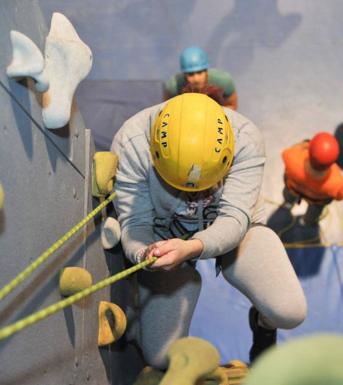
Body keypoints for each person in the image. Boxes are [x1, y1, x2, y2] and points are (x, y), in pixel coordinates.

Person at [111, 93, 307, 367]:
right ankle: (143, 306)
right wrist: (145, 254)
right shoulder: (131, 145)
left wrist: (193, 246)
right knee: (159, 358)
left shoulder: (245, 138)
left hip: (238, 231)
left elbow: (235, 218)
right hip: (163, 237)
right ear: (155, 154)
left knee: (290, 312)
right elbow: (135, 226)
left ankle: (263, 324)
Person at [281, 132, 343, 225]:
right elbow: (341, 196)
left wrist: (306, 143)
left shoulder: (292, 158)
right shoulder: (337, 182)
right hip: (315, 201)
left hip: (293, 190)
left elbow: (287, 151)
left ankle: (288, 203)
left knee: (288, 194)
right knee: (315, 211)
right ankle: (306, 221)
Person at [163, 46, 238, 110]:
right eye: (191, 74)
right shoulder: (173, 86)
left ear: (206, 71)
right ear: (184, 75)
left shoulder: (223, 81)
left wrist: (214, 113)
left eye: (199, 72)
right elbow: (165, 110)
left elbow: (232, 106)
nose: (196, 79)